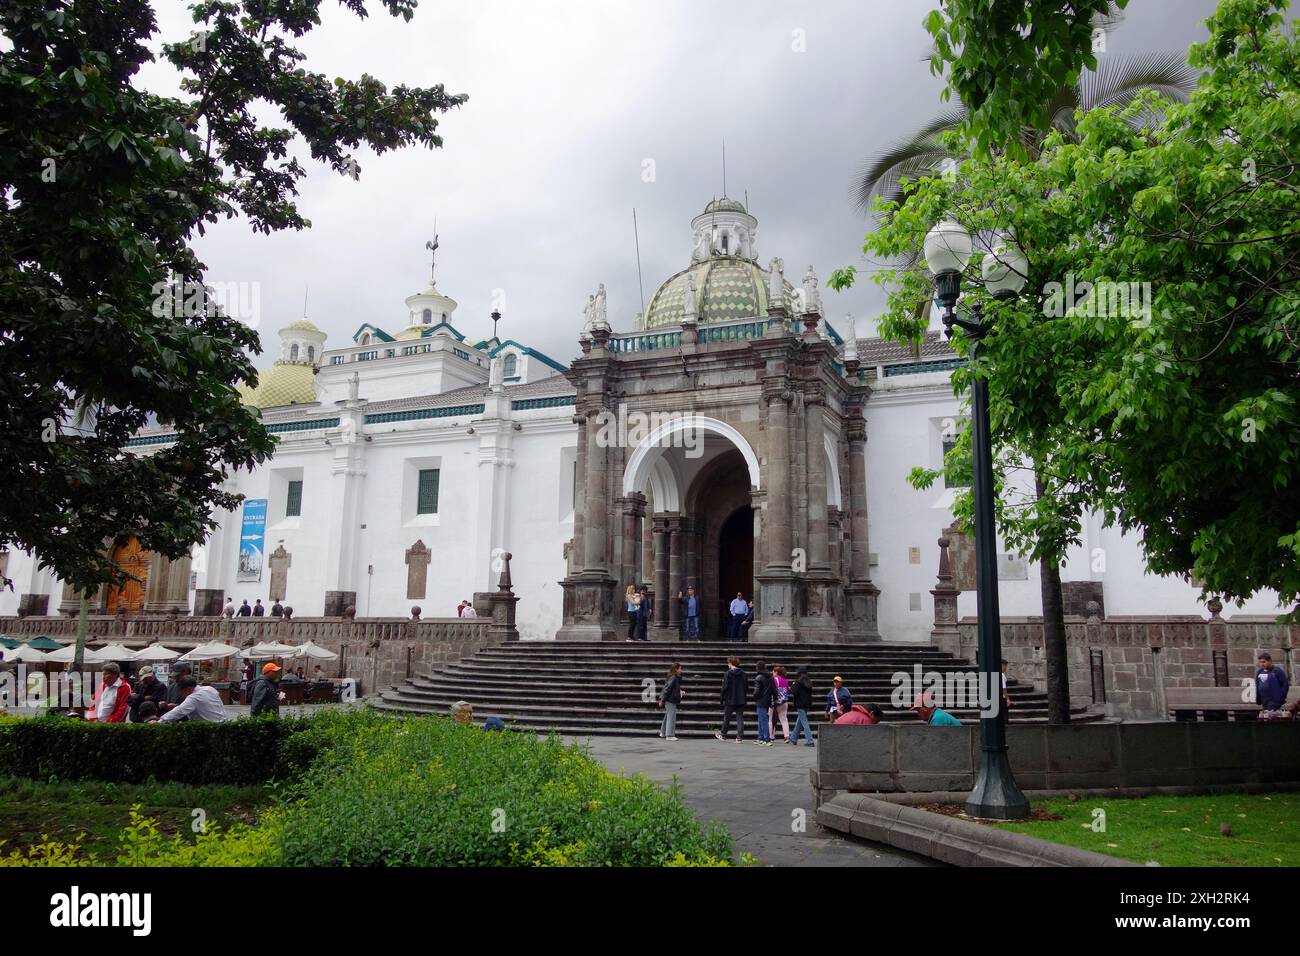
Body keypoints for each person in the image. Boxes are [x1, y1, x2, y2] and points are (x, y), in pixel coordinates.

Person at [158, 677, 227, 723]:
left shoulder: (193, 697)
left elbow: (179, 711)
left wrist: (160, 721)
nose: (182, 694)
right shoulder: (209, 689)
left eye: (181, 691)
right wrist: (177, 705)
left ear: (188, 689)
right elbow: (204, 703)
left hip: (209, 727)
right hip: (223, 722)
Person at [714, 656, 747, 742]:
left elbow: (725, 687)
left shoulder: (727, 674)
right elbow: (746, 686)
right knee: (740, 718)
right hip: (740, 699)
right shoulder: (743, 673)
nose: (728, 664)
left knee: (727, 718)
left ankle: (723, 734)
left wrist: (722, 698)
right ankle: (739, 737)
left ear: (731, 663)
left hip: (729, 699)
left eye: (728, 663)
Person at [1256, 653, 1291, 719]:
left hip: (1274, 700)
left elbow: (1285, 685)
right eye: (1260, 662)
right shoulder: (1260, 672)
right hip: (1264, 700)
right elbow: (1257, 685)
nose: (1262, 664)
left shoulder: (1277, 671)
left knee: (1269, 716)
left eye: (1264, 662)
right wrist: (1258, 698)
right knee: (1266, 716)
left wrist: (1280, 697)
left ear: (1270, 661)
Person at [789, 669, 816, 746]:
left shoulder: (798, 683)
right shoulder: (809, 683)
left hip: (800, 704)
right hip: (807, 704)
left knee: (804, 722)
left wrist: (793, 685)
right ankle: (793, 738)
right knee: (800, 721)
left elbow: (794, 693)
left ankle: (810, 741)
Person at [658, 663, 684, 740]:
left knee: (668, 716)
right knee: (671, 716)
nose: (681, 670)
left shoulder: (673, 677)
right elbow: (667, 689)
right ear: (676, 669)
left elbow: (670, 689)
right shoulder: (674, 678)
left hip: (669, 699)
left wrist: (680, 692)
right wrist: (662, 700)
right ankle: (669, 735)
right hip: (670, 700)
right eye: (680, 668)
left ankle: (663, 732)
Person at [752, 661, 775, 746]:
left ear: (758, 667)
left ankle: (766, 739)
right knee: (761, 719)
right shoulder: (770, 677)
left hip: (760, 700)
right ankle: (760, 737)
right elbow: (774, 690)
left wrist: (755, 697)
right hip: (767, 700)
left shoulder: (759, 677)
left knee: (763, 720)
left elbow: (756, 691)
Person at [771, 665, 791, 742]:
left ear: (776, 672)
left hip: (776, 702)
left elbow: (773, 690)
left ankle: (771, 736)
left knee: (772, 719)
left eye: (773, 671)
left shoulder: (775, 679)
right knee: (784, 719)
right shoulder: (785, 680)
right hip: (784, 701)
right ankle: (786, 736)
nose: (772, 672)